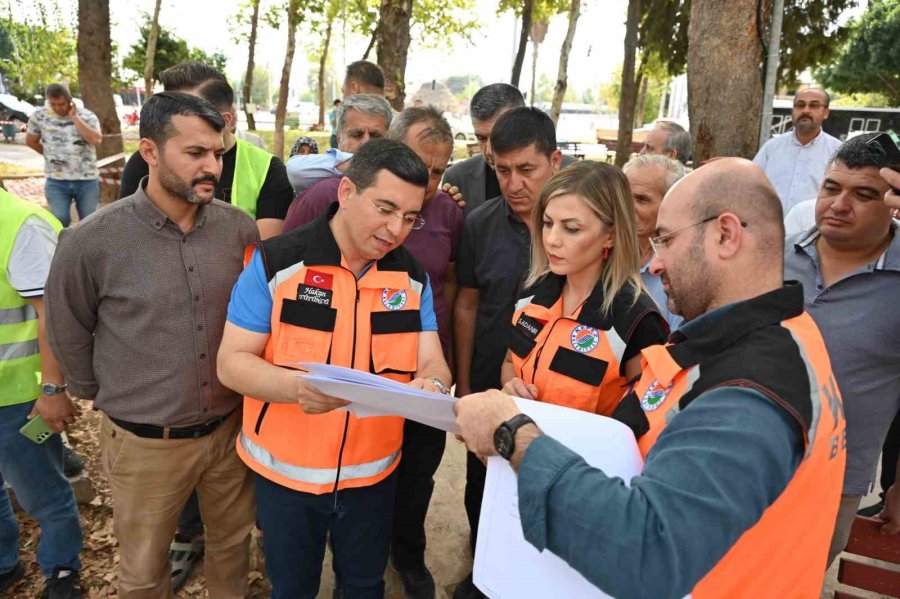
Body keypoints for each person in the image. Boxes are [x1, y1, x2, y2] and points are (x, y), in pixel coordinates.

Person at [455, 158, 847, 599]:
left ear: (725, 234)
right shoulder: (772, 338)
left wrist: (514, 435)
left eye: (665, 240)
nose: (654, 264)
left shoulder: (749, 389)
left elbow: (647, 553)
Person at [45, 92, 259, 599]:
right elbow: (67, 328)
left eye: (218, 153)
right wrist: (104, 392)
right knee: (143, 570)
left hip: (230, 433)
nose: (212, 167)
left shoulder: (238, 229)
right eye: (195, 153)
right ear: (150, 152)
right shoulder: (91, 241)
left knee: (232, 548)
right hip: (144, 443)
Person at [217, 138, 451, 599]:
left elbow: (432, 360)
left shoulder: (411, 278)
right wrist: (295, 388)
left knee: (364, 586)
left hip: (373, 477)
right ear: (346, 192)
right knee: (293, 589)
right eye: (385, 209)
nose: (396, 230)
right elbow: (232, 363)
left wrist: (435, 385)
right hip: (287, 479)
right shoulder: (277, 263)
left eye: (410, 217)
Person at [280, 106, 463, 599]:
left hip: (409, 387)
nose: (429, 182)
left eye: (439, 172)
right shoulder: (319, 205)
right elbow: (284, 269)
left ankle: (406, 555)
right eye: (420, 166)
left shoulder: (446, 213)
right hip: (327, 408)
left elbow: (450, 285)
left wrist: (438, 374)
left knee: (411, 484)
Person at [452, 107, 561, 599]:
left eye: (526, 169)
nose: (514, 184)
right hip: (488, 386)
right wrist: (464, 385)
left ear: (554, 161)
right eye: (502, 170)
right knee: (484, 489)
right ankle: (482, 573)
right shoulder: (478, 224)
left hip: (555, 393)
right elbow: (467, 304)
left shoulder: (580, 221)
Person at [782, 133, 900, 562]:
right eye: (831, 188)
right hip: (742, 460)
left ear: (893, 204)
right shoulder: (772, 257)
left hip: (833, 484)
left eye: (863, 195)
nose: (838, 204)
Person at [502, 161, 668, 420]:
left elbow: (646, 417)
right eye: (547, 223)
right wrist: (511, 388)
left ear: (610, 235)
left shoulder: (637, 320)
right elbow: (510, 363)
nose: (552, 240)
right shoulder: (532, 289)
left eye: (571, 228)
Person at [0, 189, 83, 598]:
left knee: (43, 493)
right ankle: (4, 563)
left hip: (15, 396)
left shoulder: (21, 225)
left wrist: (52, 389)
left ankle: (62, 570)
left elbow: (53, 315)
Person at [119, 61, 293, 240]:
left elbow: (262, 251)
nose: (212, 168)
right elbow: (126, 233)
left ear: (225, 120)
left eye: (188, 111)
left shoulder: (267, 169)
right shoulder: (148, 159)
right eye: (168, 108)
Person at [623, 154, 687, 329]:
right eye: (624, 196)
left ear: (671, 203)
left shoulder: (683, 269)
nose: (627, 207)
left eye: (641, 199)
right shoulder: (599, 253)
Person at [753, 88, 841, 213]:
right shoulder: (772, 147)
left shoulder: (837, 152)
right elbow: (752, 184)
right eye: (800, 105)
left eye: (814, 106)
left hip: (811, 224)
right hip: (770, 222)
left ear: (826, 113)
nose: (805, 110)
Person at [25, 84, 102, 227]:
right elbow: (31, 141)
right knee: (59, 219)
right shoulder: (39, 116)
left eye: (61, 104)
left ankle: (86, 243)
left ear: (69, 101)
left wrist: (75, 118)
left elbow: (96, 140)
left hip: (87, 179)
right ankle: (63, 242)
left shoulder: (87, 115)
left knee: (90, 222)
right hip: (56, 180)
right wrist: (50, 155)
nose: (57, 108)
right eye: (53, 104)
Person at [442, 84, 526, 215]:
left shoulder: (560, 176)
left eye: (498, 137)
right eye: (481, 138)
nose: (488, 151)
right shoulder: (457, 179)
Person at [285, 94, 393, 195]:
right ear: (339, 138)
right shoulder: (322, 174)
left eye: (375, 136)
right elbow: (295, 169)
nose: (366, 142)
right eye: (357, 135)